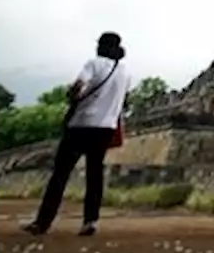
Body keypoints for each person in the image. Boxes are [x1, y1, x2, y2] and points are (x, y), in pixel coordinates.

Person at [22, 32, 132, 236]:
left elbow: (79, 85)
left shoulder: (94, 63)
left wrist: (72, 97)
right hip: (106, 128)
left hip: (82, 125)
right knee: (95, 174)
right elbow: (125, 101)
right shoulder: (125, 72)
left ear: (101, 46)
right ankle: (90, 221)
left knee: (61, 174)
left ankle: (43, 222)